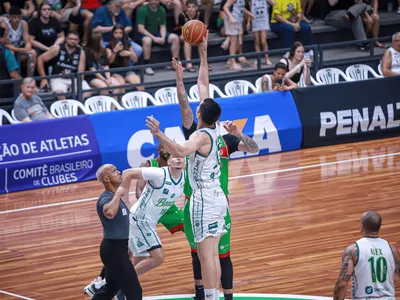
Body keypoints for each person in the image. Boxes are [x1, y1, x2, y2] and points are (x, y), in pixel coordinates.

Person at [172, 56, 259, 300]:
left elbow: (254, 148)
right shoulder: (199, 134)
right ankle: (203, 293)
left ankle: (221, 295)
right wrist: (200, 55)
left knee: (219, 254)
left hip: (214, 201)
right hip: (198, 200)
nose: (195, 108)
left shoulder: (223, 140)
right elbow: (194, 96)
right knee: (199, 253)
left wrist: (239, 134)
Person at [146, 34, 226, 300]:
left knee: (205, 256)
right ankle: (215, 297)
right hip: (218, 197)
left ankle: (211, 297)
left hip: (203, 197)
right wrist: (203, 54)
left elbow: (178, 151)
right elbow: (203, 82)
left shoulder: (199, 136)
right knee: (211, 254)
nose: (198, 101)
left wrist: (159, 134)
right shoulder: (214, 130)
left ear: (201, 114)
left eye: (200, 106)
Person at [92, 164, 142, 300]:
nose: (119, 172)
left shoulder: (114, 197)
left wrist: (127, 246)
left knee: (110, 288)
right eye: (114, 171)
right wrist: (118, 194)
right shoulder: (106, 198)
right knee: (134, 292)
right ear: (106, 179)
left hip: (118, 249)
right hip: (113, 251)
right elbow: (109, 213)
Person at [333, 211, 399, 300]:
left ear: (361, 226)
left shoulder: (353, 251)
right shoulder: (393, 250)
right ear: (378, 227)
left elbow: (342, 284)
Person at [37, 30, 91, 98]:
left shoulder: (81, 52)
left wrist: (78, 84)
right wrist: (43, 78)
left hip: (74, 78)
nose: (73, 41)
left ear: (79, 41)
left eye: (75, 39)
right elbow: (40, 59)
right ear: (66, 39)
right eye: (71, 39)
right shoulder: (57, 48)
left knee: (87, 92)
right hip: (58, 78)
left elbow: (81, 72)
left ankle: (78, 107)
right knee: (60, 94)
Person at [135, 0, 180, 75]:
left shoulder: (161, 10)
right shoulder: (143, 10)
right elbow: (140, 28)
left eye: (156, 0)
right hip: (145, 34)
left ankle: (174, 63)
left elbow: (162, 26)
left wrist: (162, 37)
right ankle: (147, 65)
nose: (154, 2)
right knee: (147, 40)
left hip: (157, 33)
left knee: (175, 38)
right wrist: (154, 38)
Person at [85, 31, 123, 96]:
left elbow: (106, 66)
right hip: (92, 77)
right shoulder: (87, 51)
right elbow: (92, 69)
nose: (102, 41)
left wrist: (108, 78)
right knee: (104, 87)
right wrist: (105, 80)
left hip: (104, 75)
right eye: (101, 40)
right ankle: (103, 106)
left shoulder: (103, 50)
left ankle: (112, 106)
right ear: (96, 42)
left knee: (117, 85)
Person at [5, 6, 37, 77]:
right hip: (8, 50)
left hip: (19, 49)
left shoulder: (23, 23)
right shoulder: (5, 25)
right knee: (11, 53)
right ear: (9, 17)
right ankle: (15, 80)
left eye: (19, 17)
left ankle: (29, 79)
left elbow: (27, 41)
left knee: (33, 53)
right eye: (14, 17)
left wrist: (27, 47)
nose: (17, 19)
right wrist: (22, 49)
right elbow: (5, 44)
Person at [223, 0, 254, 71]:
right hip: (232, 20)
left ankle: (231, 60)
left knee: (238, 42)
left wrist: (249, 14)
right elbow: (225, 7)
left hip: (238, 20)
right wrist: (230, 17)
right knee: (233, 42)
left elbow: (241, 8)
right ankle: (232, 63)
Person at [250, 0, 274, 66]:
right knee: (256, 40)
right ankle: (258, 59)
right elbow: (250, 10)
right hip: (255, 20)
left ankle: (267, 58)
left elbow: (273, 3)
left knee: (263, 41)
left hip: (264, 21)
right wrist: (248, 21)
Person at [0, 22, 20, 98]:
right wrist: (22, 85)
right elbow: (14, 75)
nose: (8, 38)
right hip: (4, 95)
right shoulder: (6, 53)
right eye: (6, 36)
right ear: (1, 38)